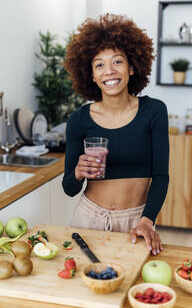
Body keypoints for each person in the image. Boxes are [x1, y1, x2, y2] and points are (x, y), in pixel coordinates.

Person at [62, 13, 169, 256]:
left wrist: (147, 219)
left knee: (133, 289)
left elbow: (161, 176)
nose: (109, 71)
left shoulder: (154, 111)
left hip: (136, 222)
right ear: (91, 75)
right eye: (99, 64)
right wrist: (77, 173)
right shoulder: (78, 120)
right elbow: (68, 188)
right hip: (88, 219)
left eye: (117, 61)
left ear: (132, 67)